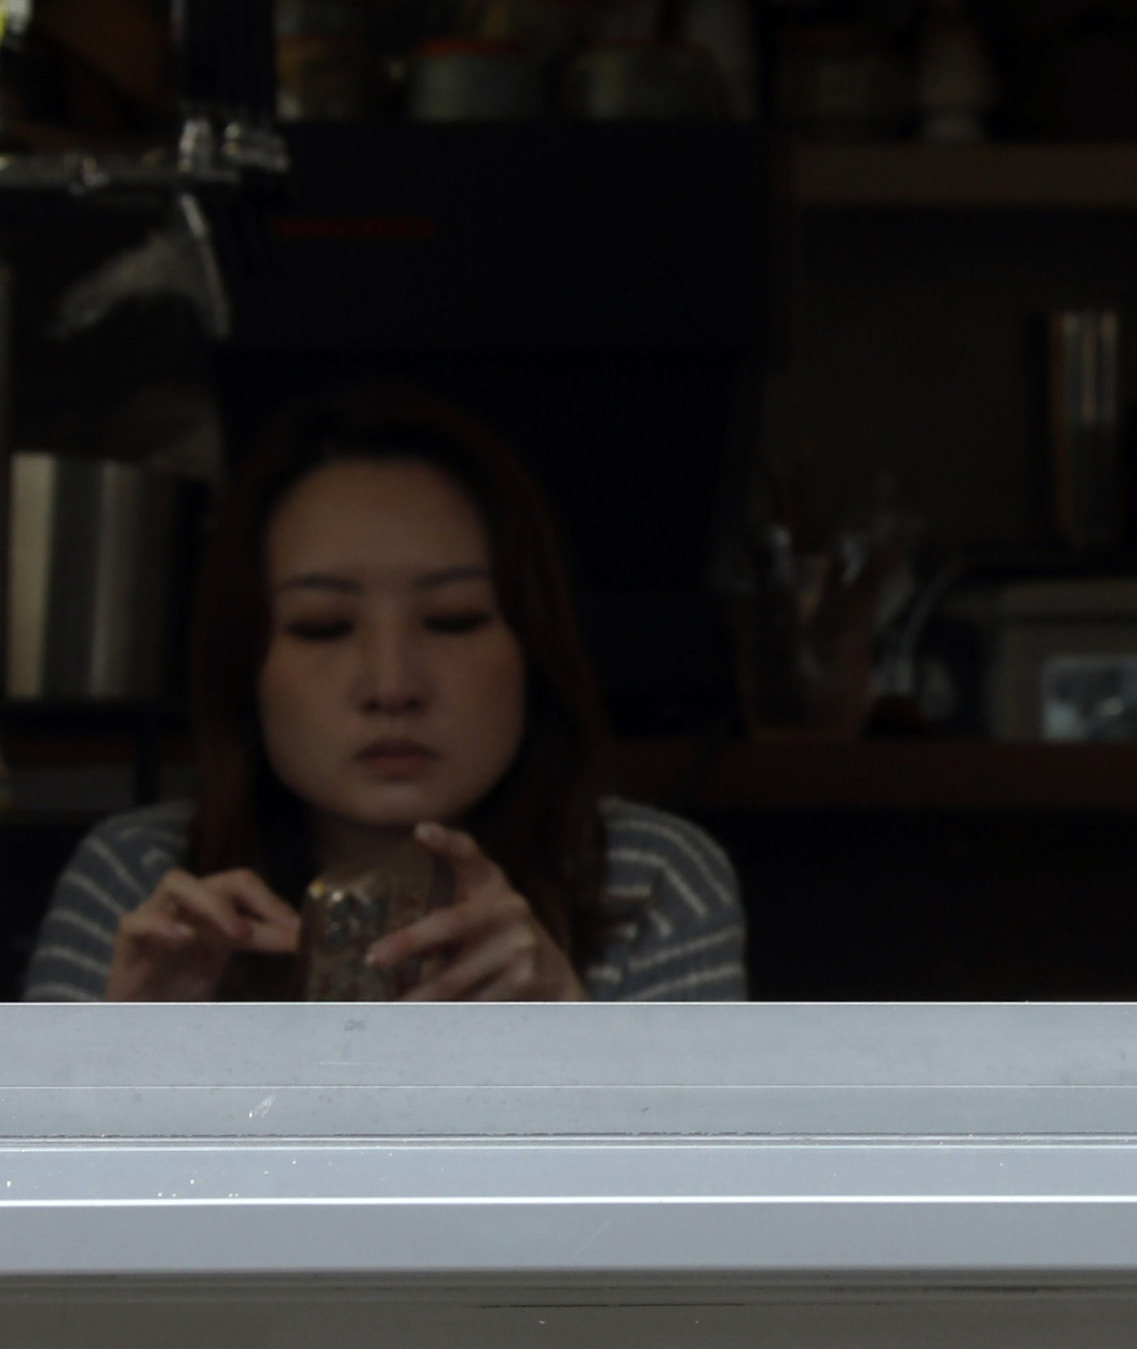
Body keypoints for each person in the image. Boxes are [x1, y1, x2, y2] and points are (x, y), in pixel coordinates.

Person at [21, 385, 746, 1003]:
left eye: (452, 620)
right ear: (246, 664)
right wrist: (114, 1071)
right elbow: (28, 1171)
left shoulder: (648, 879)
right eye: (323, 627)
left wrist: (567, 1043)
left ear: (534, 647)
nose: (392, 686)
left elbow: (705, 1171)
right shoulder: (143, 877)